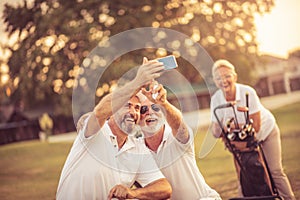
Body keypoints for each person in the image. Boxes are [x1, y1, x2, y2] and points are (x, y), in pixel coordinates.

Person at [56, 58, 172, 200]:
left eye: (137, 108)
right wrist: (138, 81)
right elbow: (100, 111)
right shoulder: (97, 131)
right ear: (113, 111)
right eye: (127, 105)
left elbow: (164, 187)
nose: (133, 111)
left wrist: (133, 193)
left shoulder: (138, 149)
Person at [210, 59, 295, 200]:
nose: (223, 80)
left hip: (266, 132)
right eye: (218, 78)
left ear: (234, 77)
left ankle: (288, 198)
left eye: (227, 76)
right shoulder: (216, 99)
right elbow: (216, 132)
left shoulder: (247, 92)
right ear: (214, 81)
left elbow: (256, 126)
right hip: (243, 141)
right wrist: (223, 128)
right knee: (245, 174)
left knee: (274, 170)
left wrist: (231, 128)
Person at [137, 77, 221, 199]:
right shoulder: (136, 149)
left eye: (155, 107)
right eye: (143, 109)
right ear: (137, 117)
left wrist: (163, 103)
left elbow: (178, 124)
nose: (150, 112)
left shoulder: (175, 138)